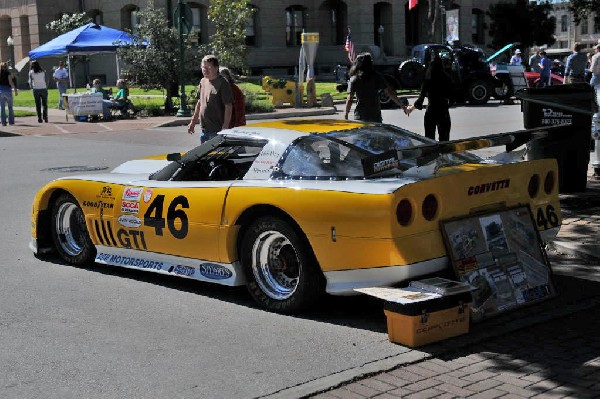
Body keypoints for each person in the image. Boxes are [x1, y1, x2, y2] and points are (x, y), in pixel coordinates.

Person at [344, 52, 409, 123]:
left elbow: (350, 98)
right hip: (375, 115)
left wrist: (346, 114)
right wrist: (402, 106)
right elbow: (390, 93)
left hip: (360, 115)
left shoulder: (354, 79)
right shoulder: (377, 77)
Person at [406, 55, 455, 141]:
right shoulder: (447, 78)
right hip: (443, 112)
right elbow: (452, 99)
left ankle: (433, 154)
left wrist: (410, 108)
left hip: (431, 111)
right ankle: (443, 154)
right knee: (444, 141)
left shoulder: (428, 80)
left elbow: (420, 100)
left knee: (429, 140)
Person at [187, 55, 233, 142]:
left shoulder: (223, 83)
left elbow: (228, 106)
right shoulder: (203, 81)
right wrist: (193, 122)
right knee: (205, 155)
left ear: (216, 68)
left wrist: (225, 126)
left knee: (216, 155)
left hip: (217, 131)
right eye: (203, 67)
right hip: (204, 130)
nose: (205, 70)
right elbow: (199, 103)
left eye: (208, 67)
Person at [0, 61, 18, 126]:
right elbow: (11, 82)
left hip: (0, 91)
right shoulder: (8, 73)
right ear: (6, 67)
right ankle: (11, 121)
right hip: (8, 90)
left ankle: (3, 122)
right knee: (10, 107)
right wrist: (15, 90)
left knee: (2, 108)